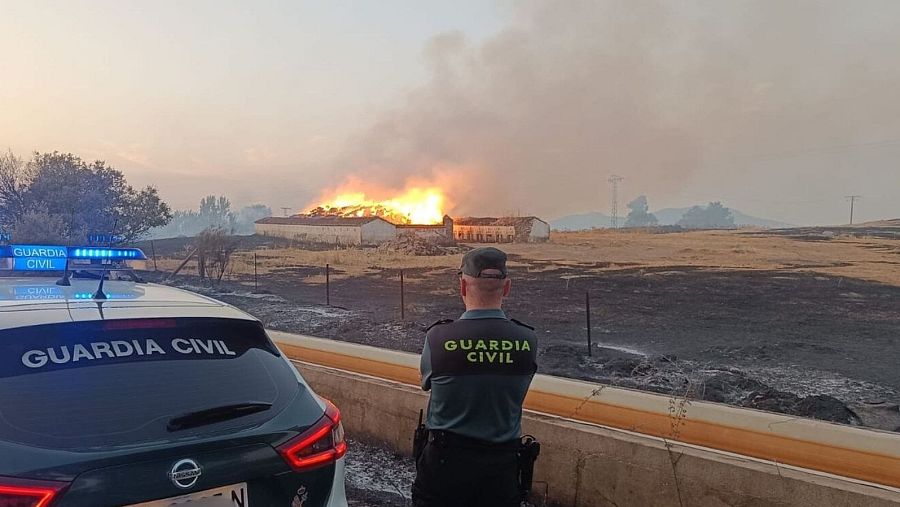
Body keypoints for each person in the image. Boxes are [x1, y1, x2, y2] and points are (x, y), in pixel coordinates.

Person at [412, 247, 538, 507]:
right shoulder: (527, 340)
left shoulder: (438, 338)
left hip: (445, 467)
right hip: (501, 470)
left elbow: (427, 383)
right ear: (507, 288)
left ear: (462, 286)